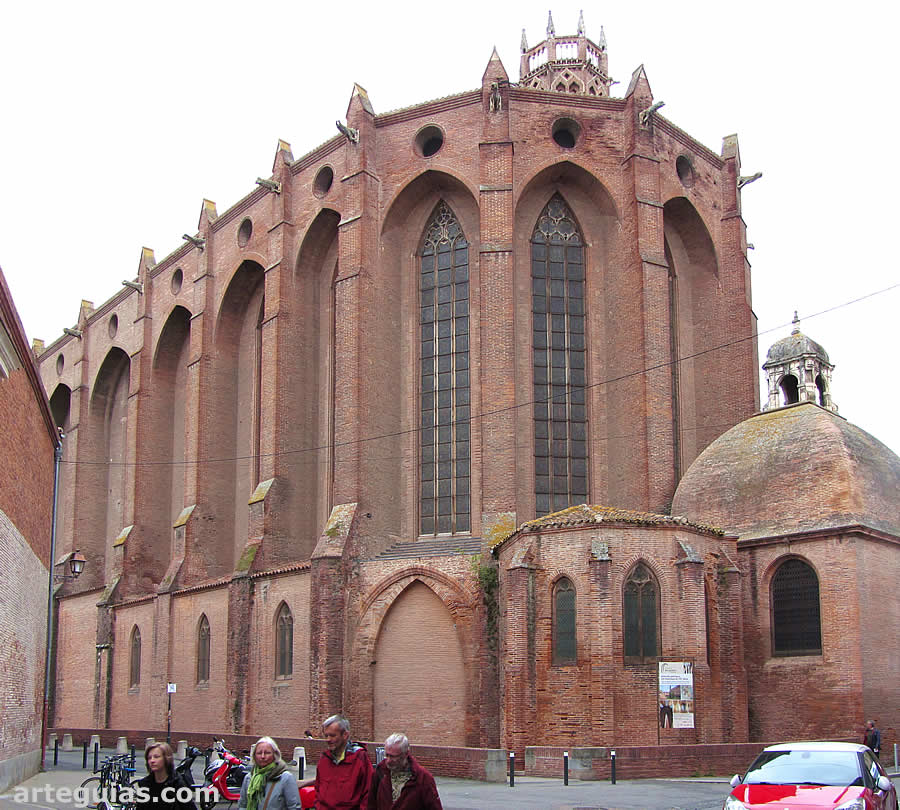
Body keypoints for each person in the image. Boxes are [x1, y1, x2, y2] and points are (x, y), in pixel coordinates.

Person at [299, 714, 372, 810]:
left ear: (345, 735)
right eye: (326, 735)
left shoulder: (360, 758)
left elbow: (369, 793)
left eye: (332, 735)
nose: (328, 739)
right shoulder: (324, 759)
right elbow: (318, 788)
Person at [367, 733, 442, 810]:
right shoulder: (381, 771)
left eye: (393, 756)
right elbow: (371, 803)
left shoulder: (423, 778)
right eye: (387, 755)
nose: (388, 761)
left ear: (406, 754)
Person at [238, 737, 299, 810]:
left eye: (267, 753)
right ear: (254, 756)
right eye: (259, 753)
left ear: (275, 755)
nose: (263, 756)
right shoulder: (249, 778)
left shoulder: (286, 778)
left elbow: (294, 807)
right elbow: (243, 805)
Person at [134, 742, 197, 810]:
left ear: (166, 759)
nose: (152, 760)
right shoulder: (145, 785)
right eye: (149, 758)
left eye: (156, 757)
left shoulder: (177, 784)